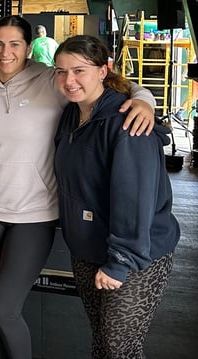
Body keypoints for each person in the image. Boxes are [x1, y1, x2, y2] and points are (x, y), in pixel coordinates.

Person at [0, 14, 156, 359]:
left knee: (4, 309)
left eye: (15, 44)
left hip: (35, 214)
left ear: (28, 47)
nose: (6, 52)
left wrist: (144, 100)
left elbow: (111, 86)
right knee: (0, 305)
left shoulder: (53, 80)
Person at [53, 35, 180, 358]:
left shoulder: (128, 124)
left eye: (79, 71)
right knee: (102, 340)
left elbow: (134, 199)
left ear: (103, 71)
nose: (69, 80)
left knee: (120, 347)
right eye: (61, 71)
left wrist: (121, 261)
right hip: (87, 248)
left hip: (136, 255)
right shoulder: (71, 115)